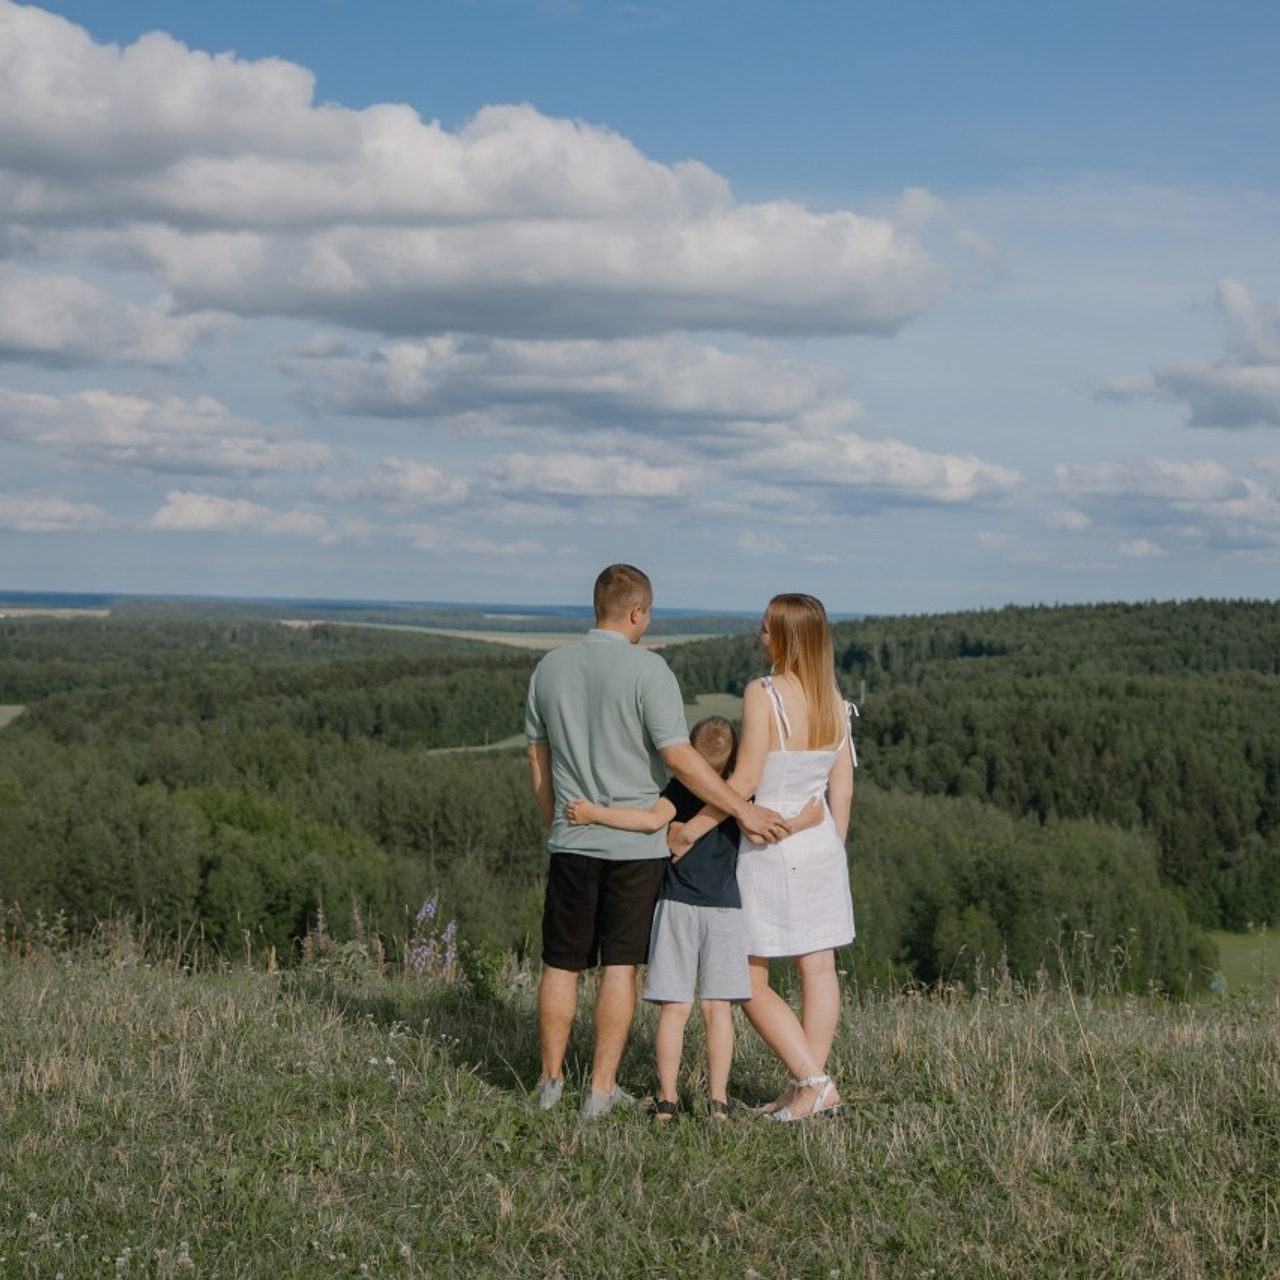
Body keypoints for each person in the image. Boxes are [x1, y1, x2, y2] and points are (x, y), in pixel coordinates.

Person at [525, 565, 789, 1119]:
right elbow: (677, 757)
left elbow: (537, 760)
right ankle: (599, 1090)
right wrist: (740, 805)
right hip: (634, 851)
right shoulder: (650, 670)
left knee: (561, 964)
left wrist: (556, 824)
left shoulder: (549, 667)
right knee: (619, 967)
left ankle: (550, 1084)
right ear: (637, 611)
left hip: (572, 839)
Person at [567, 715, 823, 1123]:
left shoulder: (678, 789)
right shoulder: (739, 796)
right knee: (717, 1010)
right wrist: (807, 820)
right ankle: (718, 1103)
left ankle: (667, 1101)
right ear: (735, 755)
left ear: (689, 751)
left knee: (674, 1009)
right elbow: (760, 835)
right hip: (724, 909)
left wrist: (594, 814)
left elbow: (651, 822)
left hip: (676, 907)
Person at [671, 593, 855, 1122]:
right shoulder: (835, 702)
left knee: (746, 976)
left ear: (789, 638)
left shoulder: (764, 693)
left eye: (768, 629)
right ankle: (808, 1090)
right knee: (819, 969)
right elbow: (841, 792)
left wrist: (693, 828)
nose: (760, 636)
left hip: (768, 848)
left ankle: (813, 1082)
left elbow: (745, 782)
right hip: (821, 847)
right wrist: (830, 850)